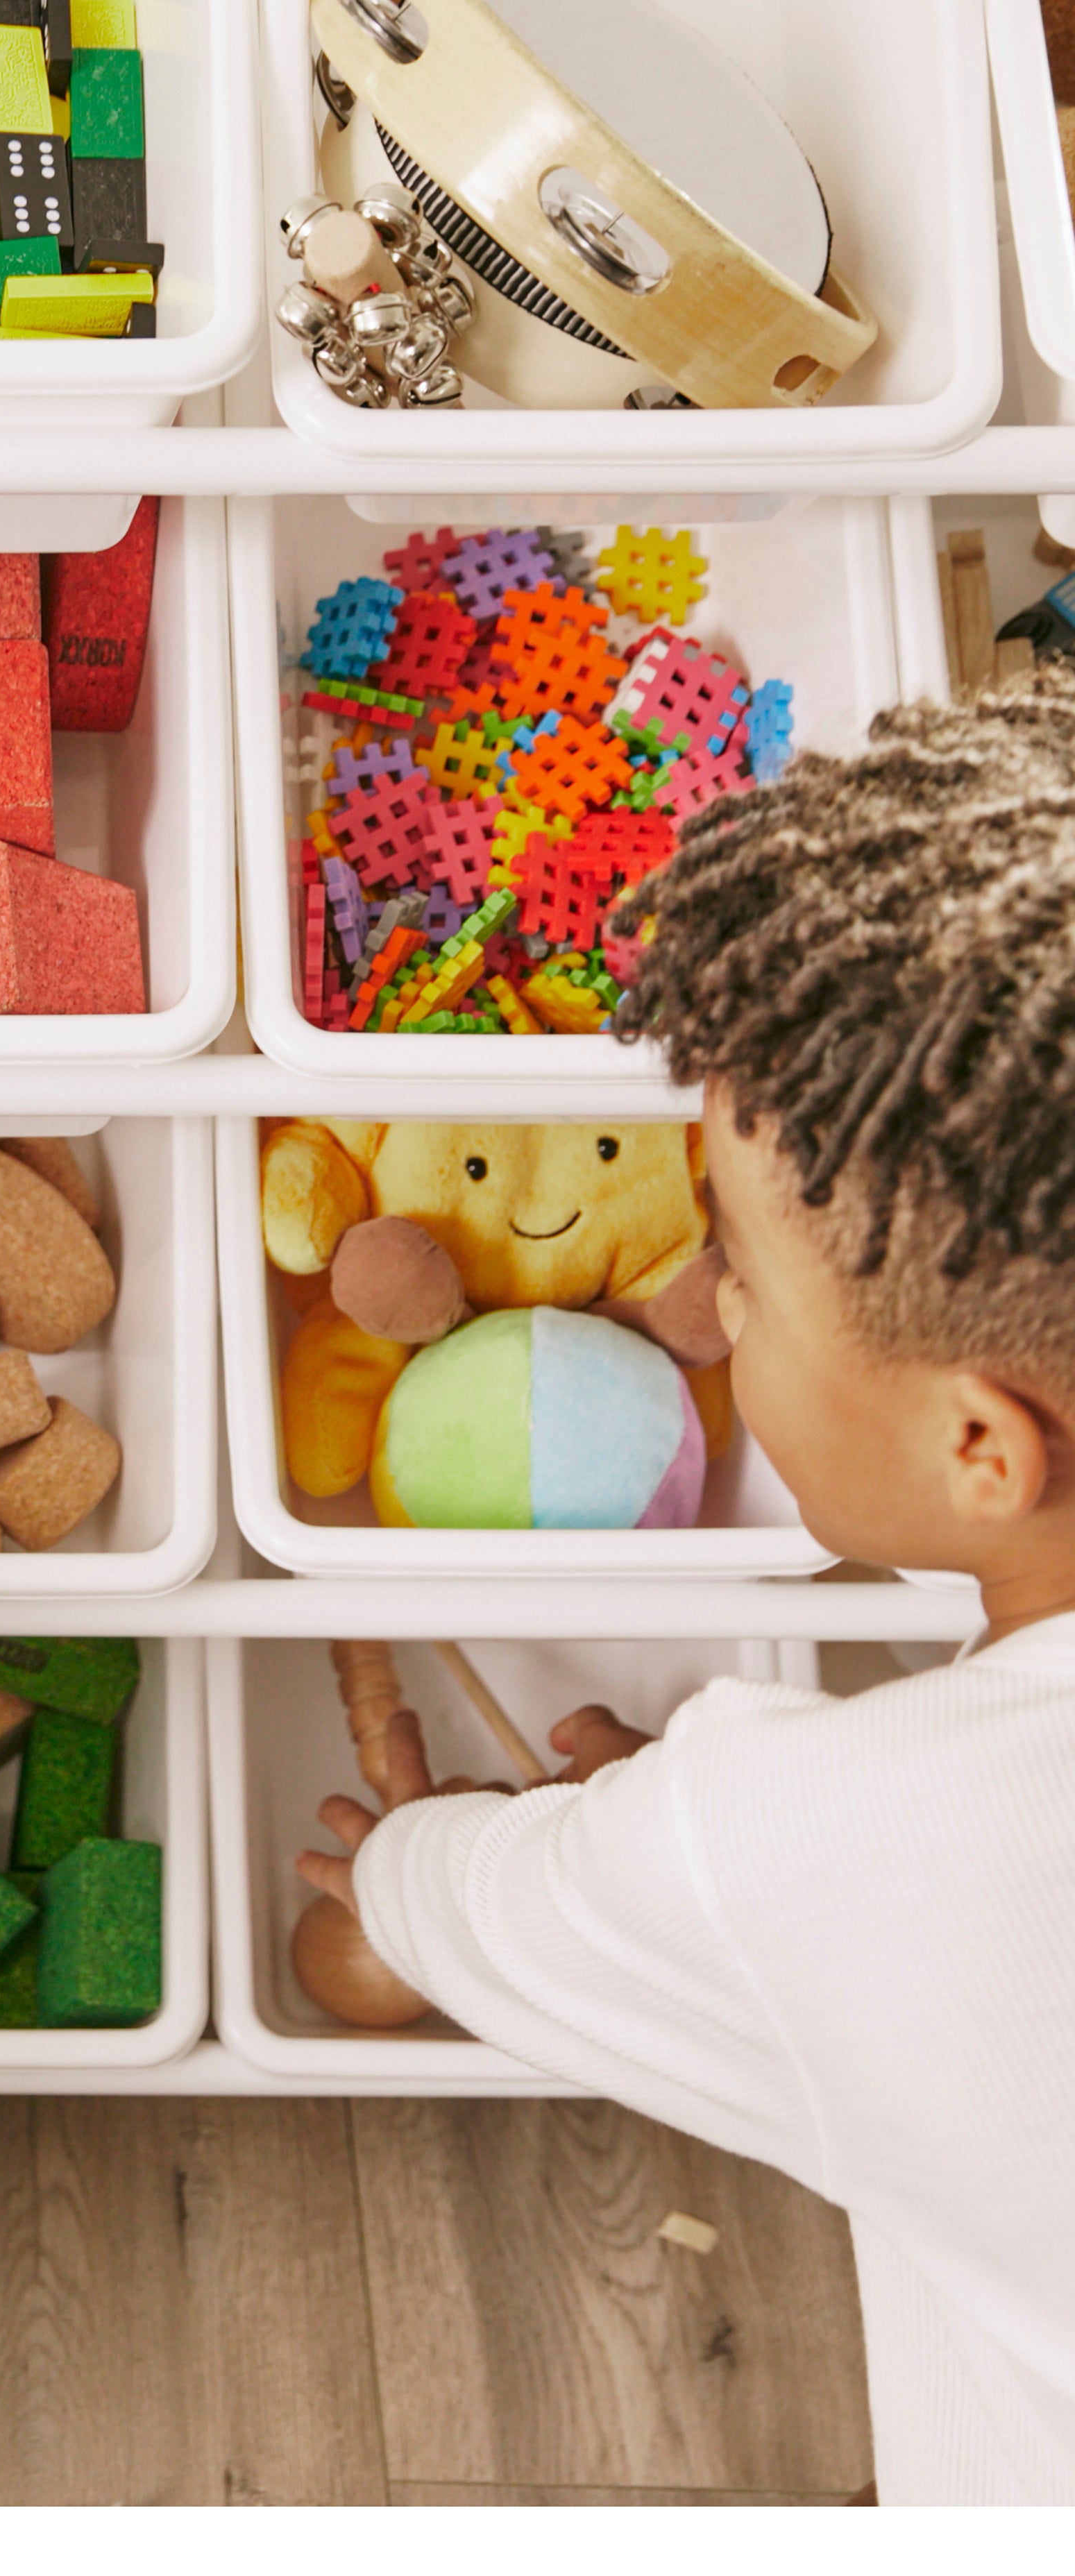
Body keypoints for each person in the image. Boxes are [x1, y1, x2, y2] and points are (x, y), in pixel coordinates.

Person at [299, 682, 1075, 2503]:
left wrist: (478, 1856)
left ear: (981, 1444)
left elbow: (431, 1902)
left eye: (745, 1277)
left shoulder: (819, 1847)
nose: (714, 1308)